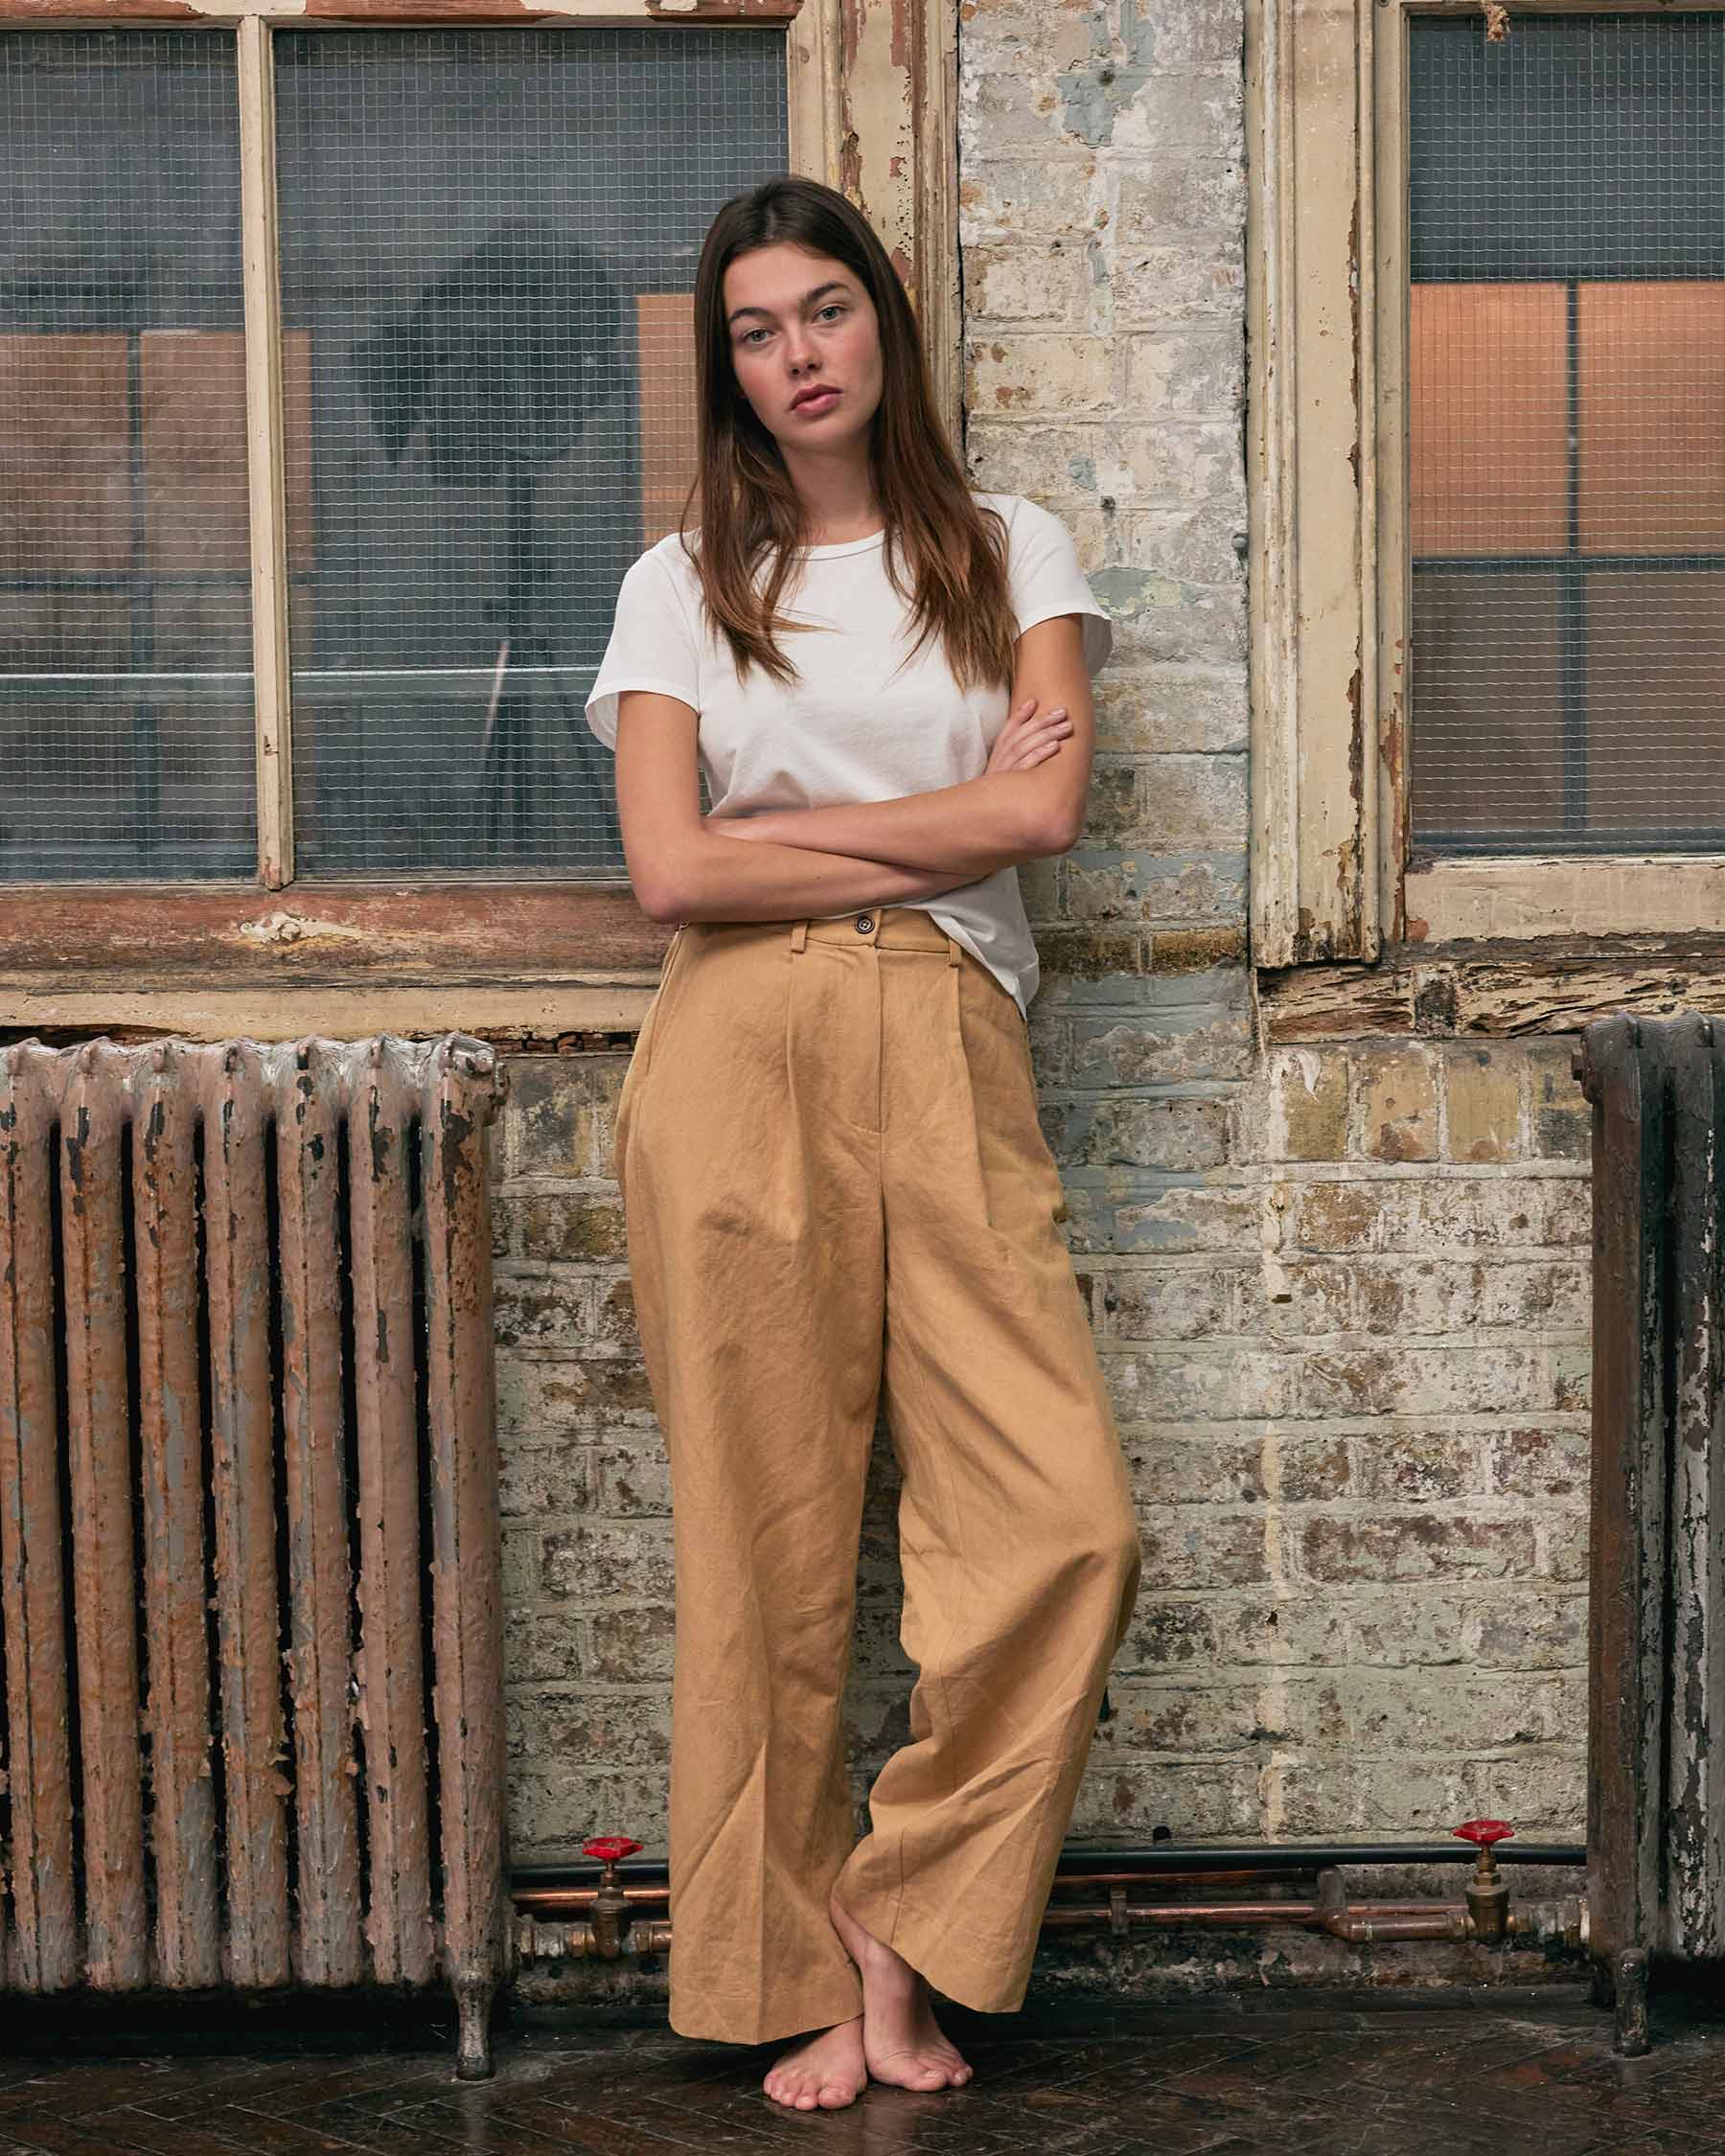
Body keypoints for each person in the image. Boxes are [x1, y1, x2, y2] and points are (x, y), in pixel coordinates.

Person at [583, 174, 1142, 2115]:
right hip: (734, 1054)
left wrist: (793, 849)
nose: (796, 354)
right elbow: (669, 871)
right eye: (755, 328)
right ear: (724, 366)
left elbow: (1047, 826)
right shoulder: (683, 582)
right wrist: (940, 815)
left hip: (951, 1033)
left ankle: (903, 1920)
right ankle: (795, 1987)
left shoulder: (1008, 549)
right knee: (766, 1538)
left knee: (1064, 1521)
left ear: (883, 328)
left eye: (825, 312)